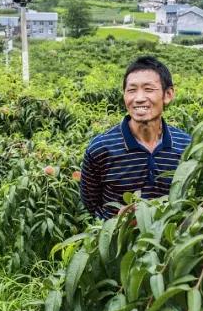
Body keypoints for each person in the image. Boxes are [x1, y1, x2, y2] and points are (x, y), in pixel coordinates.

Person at [80, 56, 191, 219]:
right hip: (119, 242)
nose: (139, 98)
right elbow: (92, 204)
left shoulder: (187, 146)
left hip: (171, 241)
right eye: (131, 90)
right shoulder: (100, 149)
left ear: (168, 94)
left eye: (148, 89)